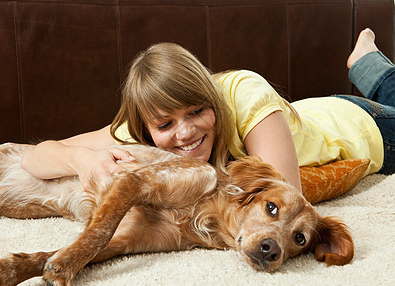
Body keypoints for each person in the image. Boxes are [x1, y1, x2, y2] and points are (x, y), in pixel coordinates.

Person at [20, 28, 394, 193]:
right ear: (144, 128)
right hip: (307, 115)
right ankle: (367, 62)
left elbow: (284, 195)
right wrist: (82, 161)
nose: (184, 133)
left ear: (212, 100)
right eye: (165, 124)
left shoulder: (245, 91)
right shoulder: (138, 124)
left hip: (364, 129)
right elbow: (34, 157)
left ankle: (368, 64)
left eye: (197, 111)